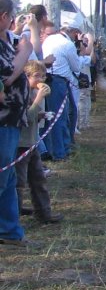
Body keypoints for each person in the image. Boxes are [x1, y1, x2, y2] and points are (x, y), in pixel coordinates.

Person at [15, 60, 62, 225]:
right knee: (18, 183)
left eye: (43, 75)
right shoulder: (22, 93)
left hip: (32, 142)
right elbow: (26, 117)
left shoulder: (33, 93)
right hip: (21, 145)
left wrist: (42, 114)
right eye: (36, 76)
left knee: (38, 179)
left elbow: (33, 115)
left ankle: (43, 213)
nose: (40, 79)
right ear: (26, 76)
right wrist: (39, 99)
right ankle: (14, 216)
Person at [0, 0, 31, 246]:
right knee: (1, 178)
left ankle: (10, 231)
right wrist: (26, 50)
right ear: (4, 17)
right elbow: (7, 76)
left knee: (8, 178)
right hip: (1, 122)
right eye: (11, 18)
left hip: (10, 121)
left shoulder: (7, 41)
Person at [40, 21, 79, 161]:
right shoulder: (67, 44)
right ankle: (60, 152)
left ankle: (53, 149)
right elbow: (76, 67)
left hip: (47, 78)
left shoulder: (47, 41)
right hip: (59, 81)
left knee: (49, 117)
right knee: (60, 118)